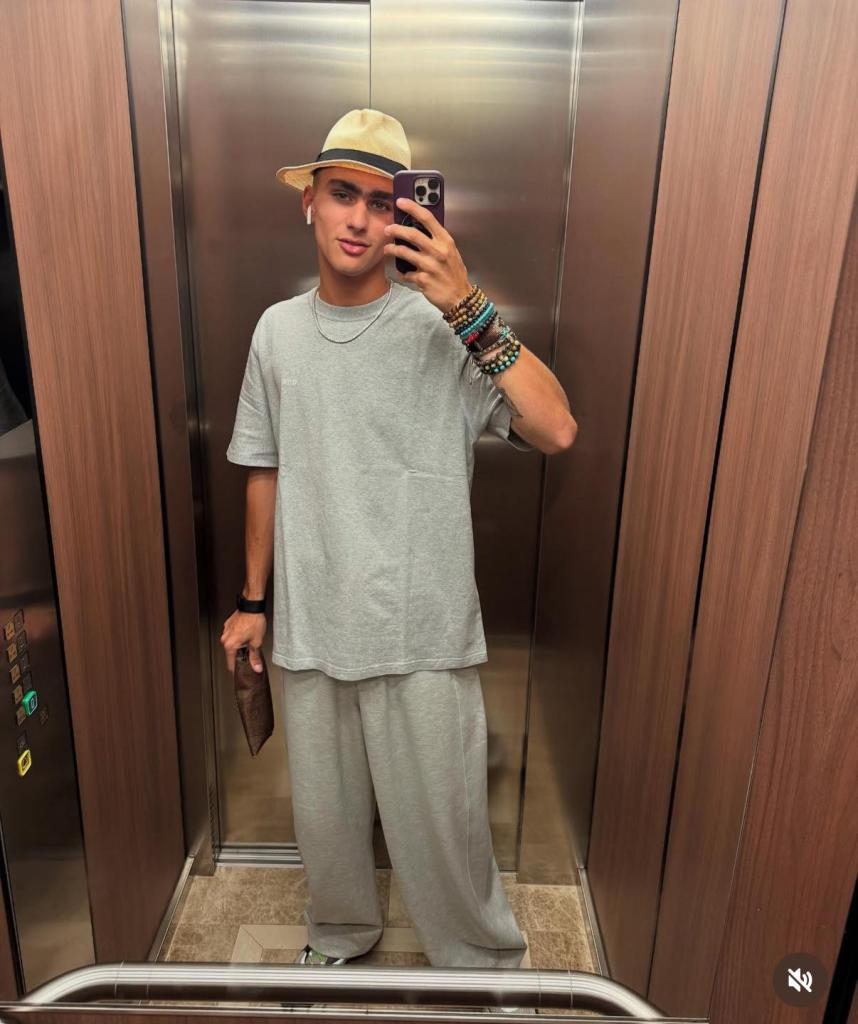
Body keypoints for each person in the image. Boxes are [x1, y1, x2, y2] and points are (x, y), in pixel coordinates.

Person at [220, 109, 577, 971]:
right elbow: (263, 467)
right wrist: (252, 602)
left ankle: (481, 964)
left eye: (384, 203)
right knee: (326, 822)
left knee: (445, 822)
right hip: (313, 624)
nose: (360, 219)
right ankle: (340, 936)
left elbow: (557, 429)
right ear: (308, 202)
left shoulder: (444, 328)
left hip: (423, 627)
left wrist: (467, 305)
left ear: (409, 215)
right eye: (343, 194)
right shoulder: (276, 331)